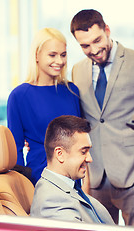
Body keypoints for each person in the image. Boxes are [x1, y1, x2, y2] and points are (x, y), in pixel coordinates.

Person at [70, 9, 134, 226]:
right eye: (85, 45)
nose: (94, 49)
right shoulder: (77, 71)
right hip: (95, 178)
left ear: (107, 30)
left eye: (97, 40)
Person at [30, 115, 134, 229]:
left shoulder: (66, 187)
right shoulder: (52, 200)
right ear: (60, 153)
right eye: (83, 151)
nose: (90, 159)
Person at [7, 28, 81, 185]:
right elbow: (16, 150)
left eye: (63, 54)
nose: (59, 61)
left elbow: (81, 140)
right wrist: (21, 190)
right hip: (39, 178)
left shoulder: (72, 91)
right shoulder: (19, 96)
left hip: (73, 180)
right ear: (36, 56)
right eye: (52, 55)